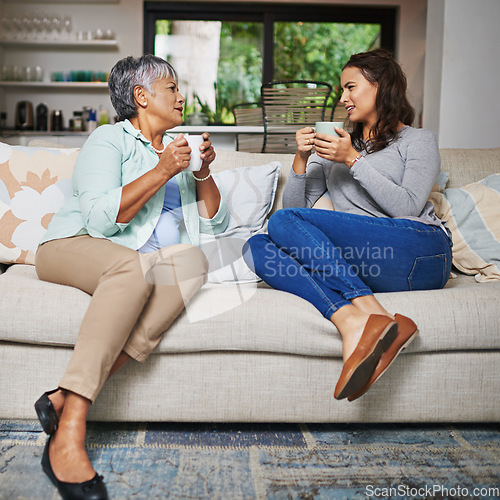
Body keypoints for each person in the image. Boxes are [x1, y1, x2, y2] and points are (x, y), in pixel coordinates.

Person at [34, 55, 229, 500]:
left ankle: (63, 395)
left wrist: (201, 172)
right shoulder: (109, 140)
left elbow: (214, 224)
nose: (181, 96)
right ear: (141, 96)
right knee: (131, 266)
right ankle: (70, 431)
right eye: (172, 87)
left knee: (194, 261)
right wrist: (163, 170)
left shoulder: (178, 151)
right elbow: (102, 222)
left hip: (136, 267)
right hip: (70, 246)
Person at [243, 48, 452, 403]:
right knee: (257, 247)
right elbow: (293, 216)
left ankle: (370, 314)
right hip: (371, 260)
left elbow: (407, 206)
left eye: (350, 87)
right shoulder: (337, 148)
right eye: (342, 90)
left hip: (421, 250)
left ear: (381, 85)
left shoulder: (418, 141)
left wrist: (352, 159)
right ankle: (354, 323)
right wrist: (301, 159)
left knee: (281, 224)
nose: (343, 98)